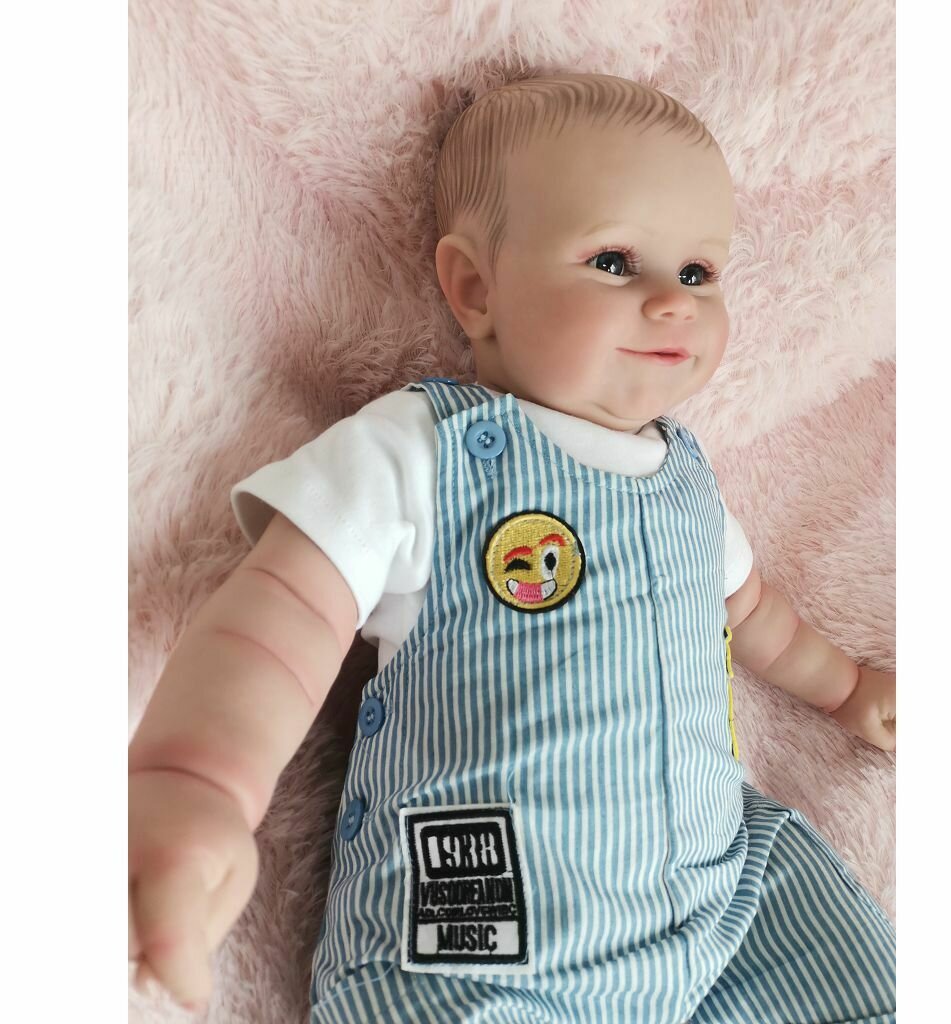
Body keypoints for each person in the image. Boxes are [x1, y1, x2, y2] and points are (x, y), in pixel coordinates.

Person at [129, 72, 896, 1023]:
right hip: (495, 934)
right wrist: (199, 779)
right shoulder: (427, 451)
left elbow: (754, 617)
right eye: (614, 261)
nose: (674, 302)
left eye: (699, 273)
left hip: (721, 901)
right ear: (476, 286)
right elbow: (280, 615)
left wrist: (849, 689)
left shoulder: (688, 479)